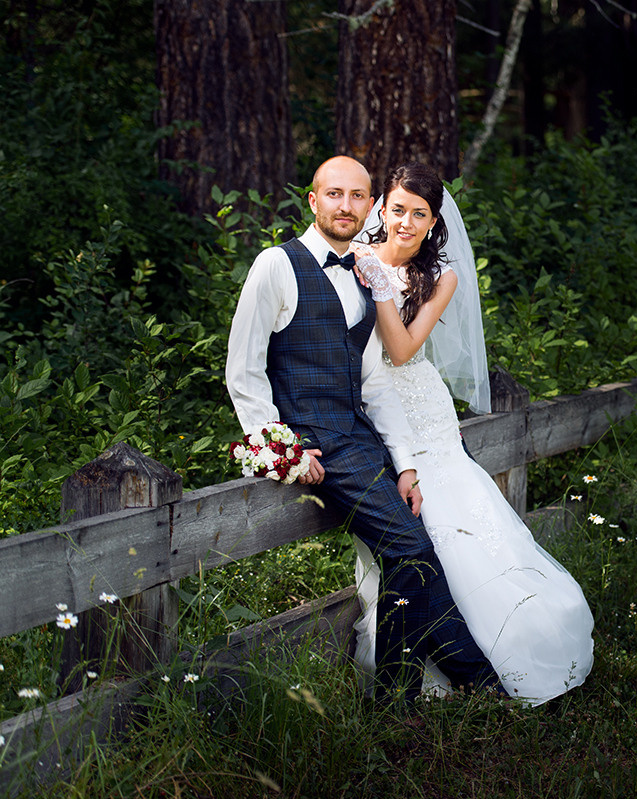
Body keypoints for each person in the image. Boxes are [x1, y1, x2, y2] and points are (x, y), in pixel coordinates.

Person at [225, 155, 503, 706]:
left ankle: (457, 686)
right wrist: (278, 448)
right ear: (313, 199)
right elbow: (244, 370)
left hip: (363, 438)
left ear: (367, 202)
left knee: (416, 554)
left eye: (357, 196)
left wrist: (403, 462)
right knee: (413, 550)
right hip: (319, 443)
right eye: (335, 194)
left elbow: (374, 381)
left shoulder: (363, 272)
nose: (346, 206)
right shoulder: (275, 266)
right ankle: (427, 693)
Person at [349, 162, 594, 706]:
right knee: (407, 532)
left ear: (434, 221)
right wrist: (364, 265)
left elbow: (401, 350)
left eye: (421, 214)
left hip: (423, 411)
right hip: (373, 407)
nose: (406, 223)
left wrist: (380, 281)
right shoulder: (349, 260)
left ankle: (500, 652)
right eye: (398, 210)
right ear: (379, 209)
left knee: (451, 521)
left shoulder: (442, 276)